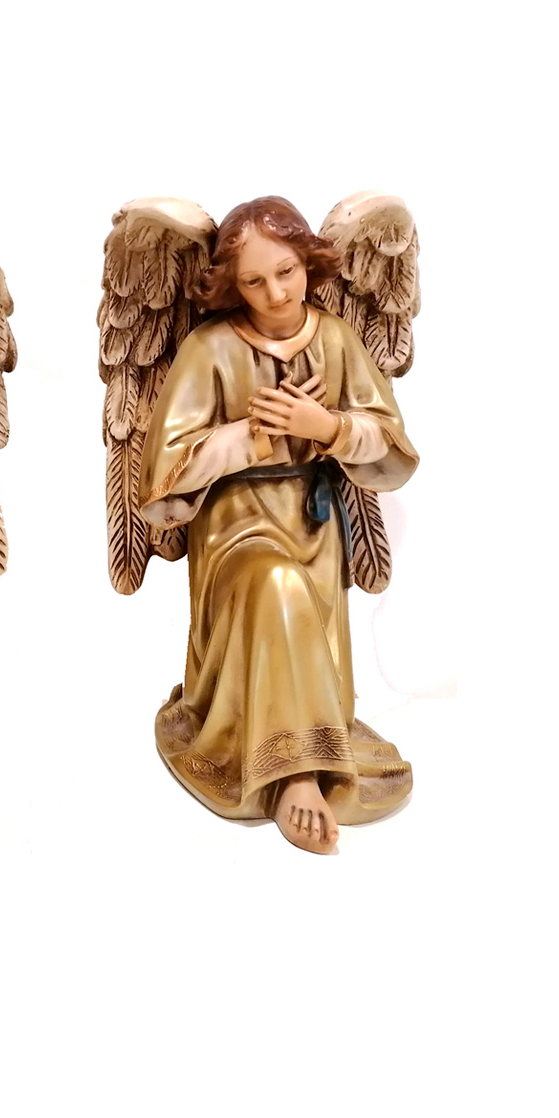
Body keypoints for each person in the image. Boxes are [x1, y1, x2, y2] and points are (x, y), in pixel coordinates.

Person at [138, 197, 419, 854]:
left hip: (312, 524)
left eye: (287, 272)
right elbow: (163, 476)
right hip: (235, 526)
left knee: (296, 589)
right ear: (231, 285)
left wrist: (329, 428)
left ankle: (311, 736)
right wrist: (254, 436)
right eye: (254, 281)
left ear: (308, 263)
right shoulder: (209, 349)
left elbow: (393, 447)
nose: (275, 293)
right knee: (274, 584)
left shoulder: (336, 339)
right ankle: (293, 774)